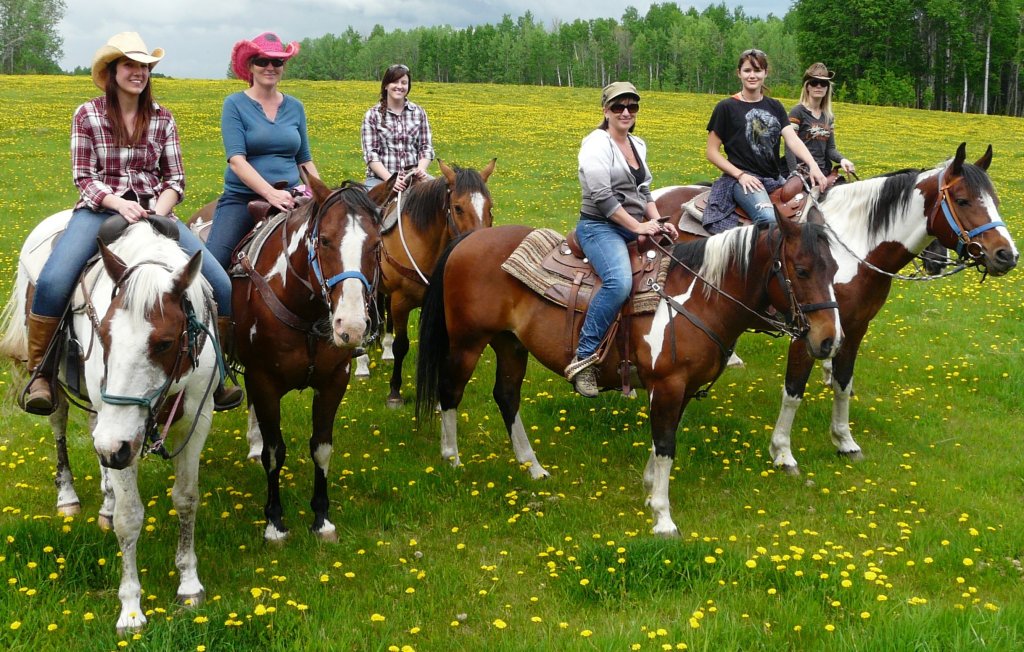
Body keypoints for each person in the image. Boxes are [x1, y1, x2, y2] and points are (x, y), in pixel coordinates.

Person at [22, 32, 242, 415]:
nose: (138, 73)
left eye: (143, 67)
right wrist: (117, 204)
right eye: (130, 65)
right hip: (100, 210)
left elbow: (175, 179)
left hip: (156, 211)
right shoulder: (87, 114)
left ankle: (217, 375)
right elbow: (83, 177)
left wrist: (160, 207)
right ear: (111, 72)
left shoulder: (162, 117)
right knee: (55, 279)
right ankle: (40, 372)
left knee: (219, 282)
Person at [564, 82, 678, 398]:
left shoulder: (637, 144)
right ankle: (584, 359)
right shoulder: (596, 143)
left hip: (633, 223)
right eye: (618, 106)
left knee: (677, 267)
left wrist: (656, 221)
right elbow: (601, 196)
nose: (626, 112)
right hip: (599, 226)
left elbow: (644, 191)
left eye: (632, 106)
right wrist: (639, 227)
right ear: (606, 111)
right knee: (618, 282)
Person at [205, 31, 320, 271]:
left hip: (291, 197)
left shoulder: (295, 107)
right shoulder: (234, 104)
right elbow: (237, 160)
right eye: (262, 61)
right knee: (213, 267)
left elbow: (304, 160)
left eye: (277, 62)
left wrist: (324, 195)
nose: (270, 67)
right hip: (243, 199)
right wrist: (270, 194)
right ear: (250, 66)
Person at [703, 49, 828, 235]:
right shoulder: (726, 107)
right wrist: (740, 175)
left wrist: (813, 165)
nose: (752, 75)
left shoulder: (775, 106)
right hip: (743, 179)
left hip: (773, 178)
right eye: (747, 71)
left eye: (757, 70)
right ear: (739, 73)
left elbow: (792, 139)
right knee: (770, 220)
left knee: (810, 213)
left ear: (765, 73)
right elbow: (711, 151)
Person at [361, 64, 434, 192]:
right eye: (395, 82)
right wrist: (391, 180)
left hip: (414, 177)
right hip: (380, 179)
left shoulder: (419, 112)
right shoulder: (372, 115)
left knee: (444, 198)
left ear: (408, 87)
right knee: (372, 209)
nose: (399, 86)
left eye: (404, 83)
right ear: (386, 85)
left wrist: (421, 169)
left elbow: (425, 147)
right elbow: (371, 155)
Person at [785, 62, 856, 178]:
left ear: (827, 88)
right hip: (803, 170)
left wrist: (842, 160)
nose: (818, 86)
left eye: (823, 83)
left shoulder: (828, 116)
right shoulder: (797, 112)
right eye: (814, 82)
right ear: (807, 86)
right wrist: (795, 173)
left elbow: (830, 149)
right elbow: (789, 147)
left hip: (824, 170)